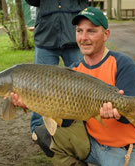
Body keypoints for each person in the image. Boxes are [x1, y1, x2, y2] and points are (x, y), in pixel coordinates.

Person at [11, 7, 135, 166]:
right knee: (44, 135)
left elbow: (131, 114)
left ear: (106, 34)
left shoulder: (123, 64)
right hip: (90, 143)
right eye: (79, 31)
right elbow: (65, 121)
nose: (84, 38)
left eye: (91, 31)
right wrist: (33, 102)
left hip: (121, 147)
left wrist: (117, 113)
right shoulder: (74, 70)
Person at [25, 0, 88, 138]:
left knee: (83, 87)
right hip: (46, 35)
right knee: (39, 86)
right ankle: (39, 128)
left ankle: (85, 127)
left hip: (73, 36)